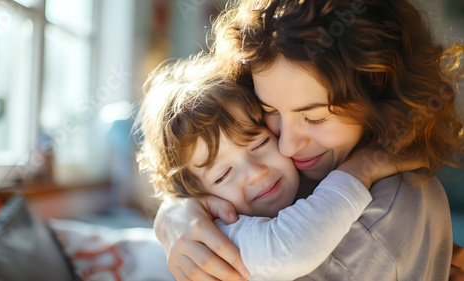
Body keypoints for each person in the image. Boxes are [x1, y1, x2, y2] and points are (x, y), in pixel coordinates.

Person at [153, 0, 464, 280]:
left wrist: (364, 167)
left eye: (315, 117)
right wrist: (176, 210)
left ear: (378, 95)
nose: (286, 146)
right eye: (269, 110)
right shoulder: (294, 177)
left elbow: (288, 248)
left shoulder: (381, 218)